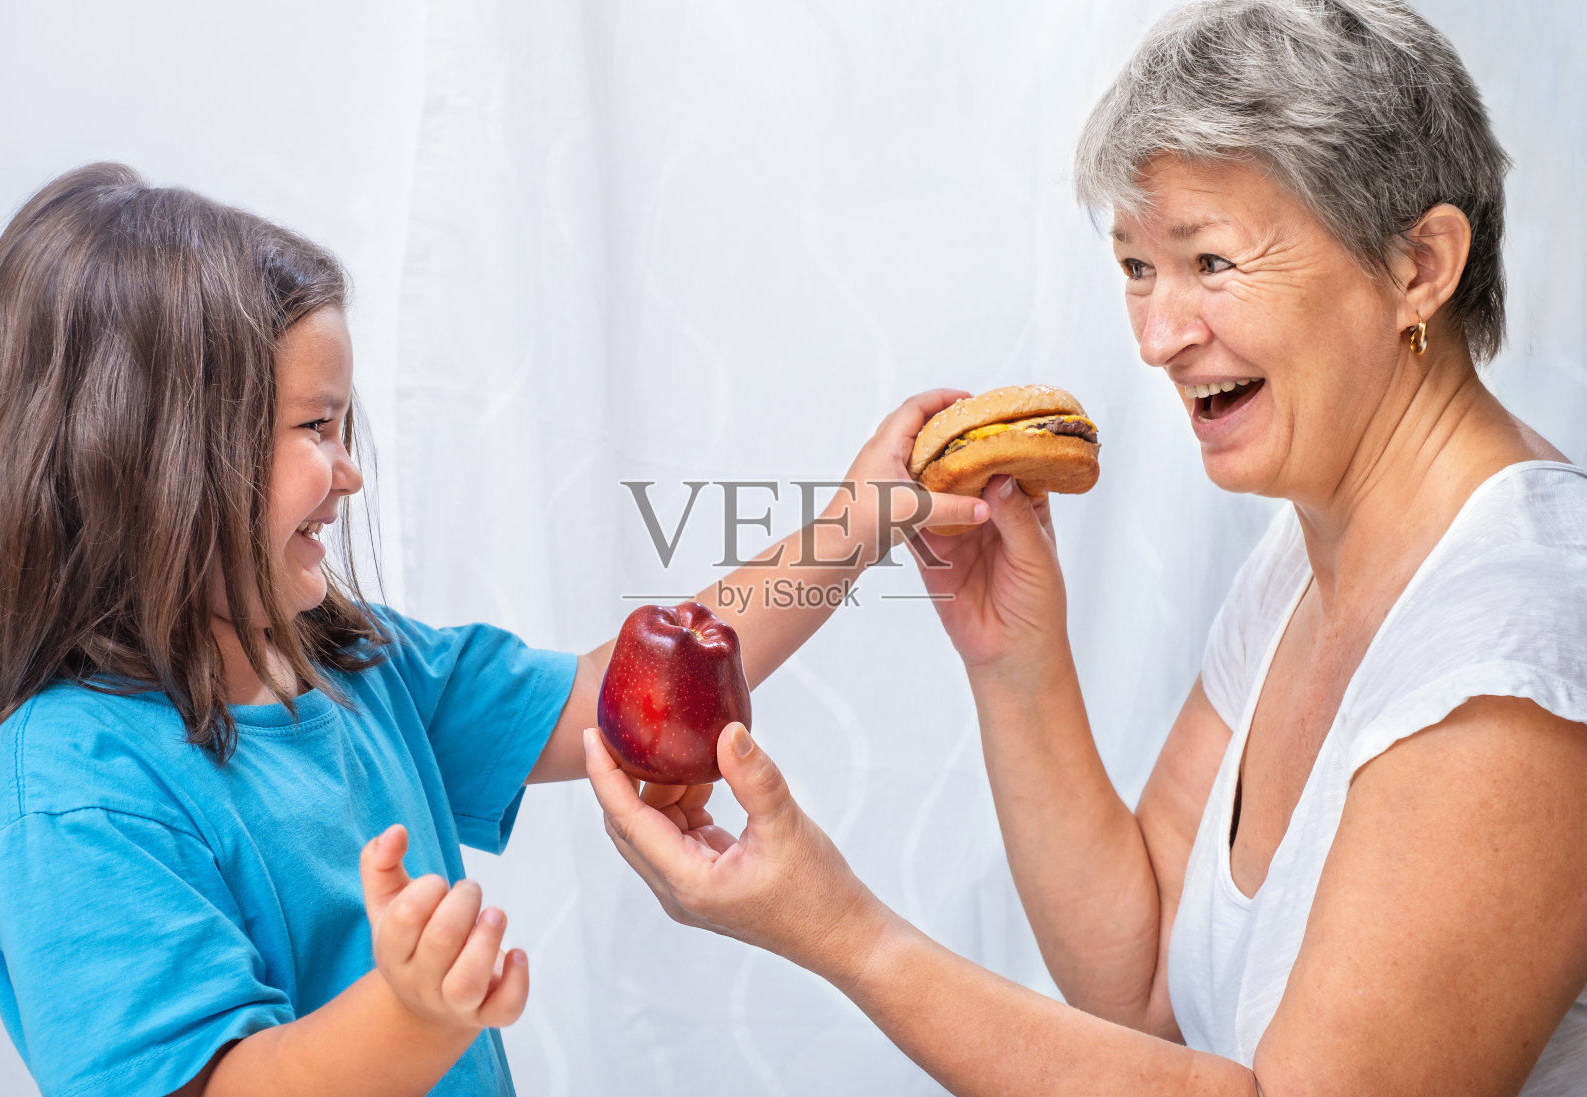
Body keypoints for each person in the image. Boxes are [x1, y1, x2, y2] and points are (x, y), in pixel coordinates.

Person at [584, 1, 1587, 1094]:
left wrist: (845, 933)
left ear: (1419, 264)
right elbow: (1140, 977)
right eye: (1137, 268)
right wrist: (1015, 659)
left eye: (1209, 260)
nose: (1158, 337)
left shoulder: (1512, 657)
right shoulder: (1310, 552)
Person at [0, 163, 987, 1097]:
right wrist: (414, 1015)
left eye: (345, 428)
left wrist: (857, 522)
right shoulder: (69, 790)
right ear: (151, 454)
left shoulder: (358, 665)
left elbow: (625, 692)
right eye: (315, 427)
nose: (350, 472)